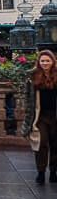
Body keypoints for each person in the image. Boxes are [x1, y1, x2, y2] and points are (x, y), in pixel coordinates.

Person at [25, 50, 57, 184]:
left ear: (53, 62)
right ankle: (41, 171)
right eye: (42, 61)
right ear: (39, 62)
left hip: (55, 115)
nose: (45, 63)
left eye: (47, 61)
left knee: (55, 144)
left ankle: (54, 172)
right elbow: (28, 96)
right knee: (41, 143)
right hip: (40, 115)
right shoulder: (32, 76)